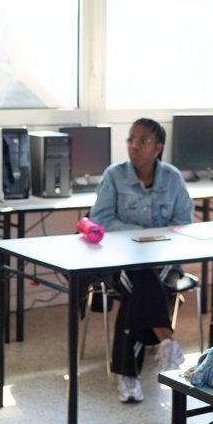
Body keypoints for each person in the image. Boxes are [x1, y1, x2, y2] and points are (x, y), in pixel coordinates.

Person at [90, 118, 194, 403]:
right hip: (119, 260)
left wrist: (154, 241)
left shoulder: (172, 177)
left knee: (142, 282)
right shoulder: (114, 175)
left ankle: (128, 375)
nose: (134, 146)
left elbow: (183, 221)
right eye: (131, 139)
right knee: (141, 277)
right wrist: (140, 237)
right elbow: (101, 219)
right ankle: (166, 340)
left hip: (165, 261)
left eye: (143, 140)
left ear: (158, 147)